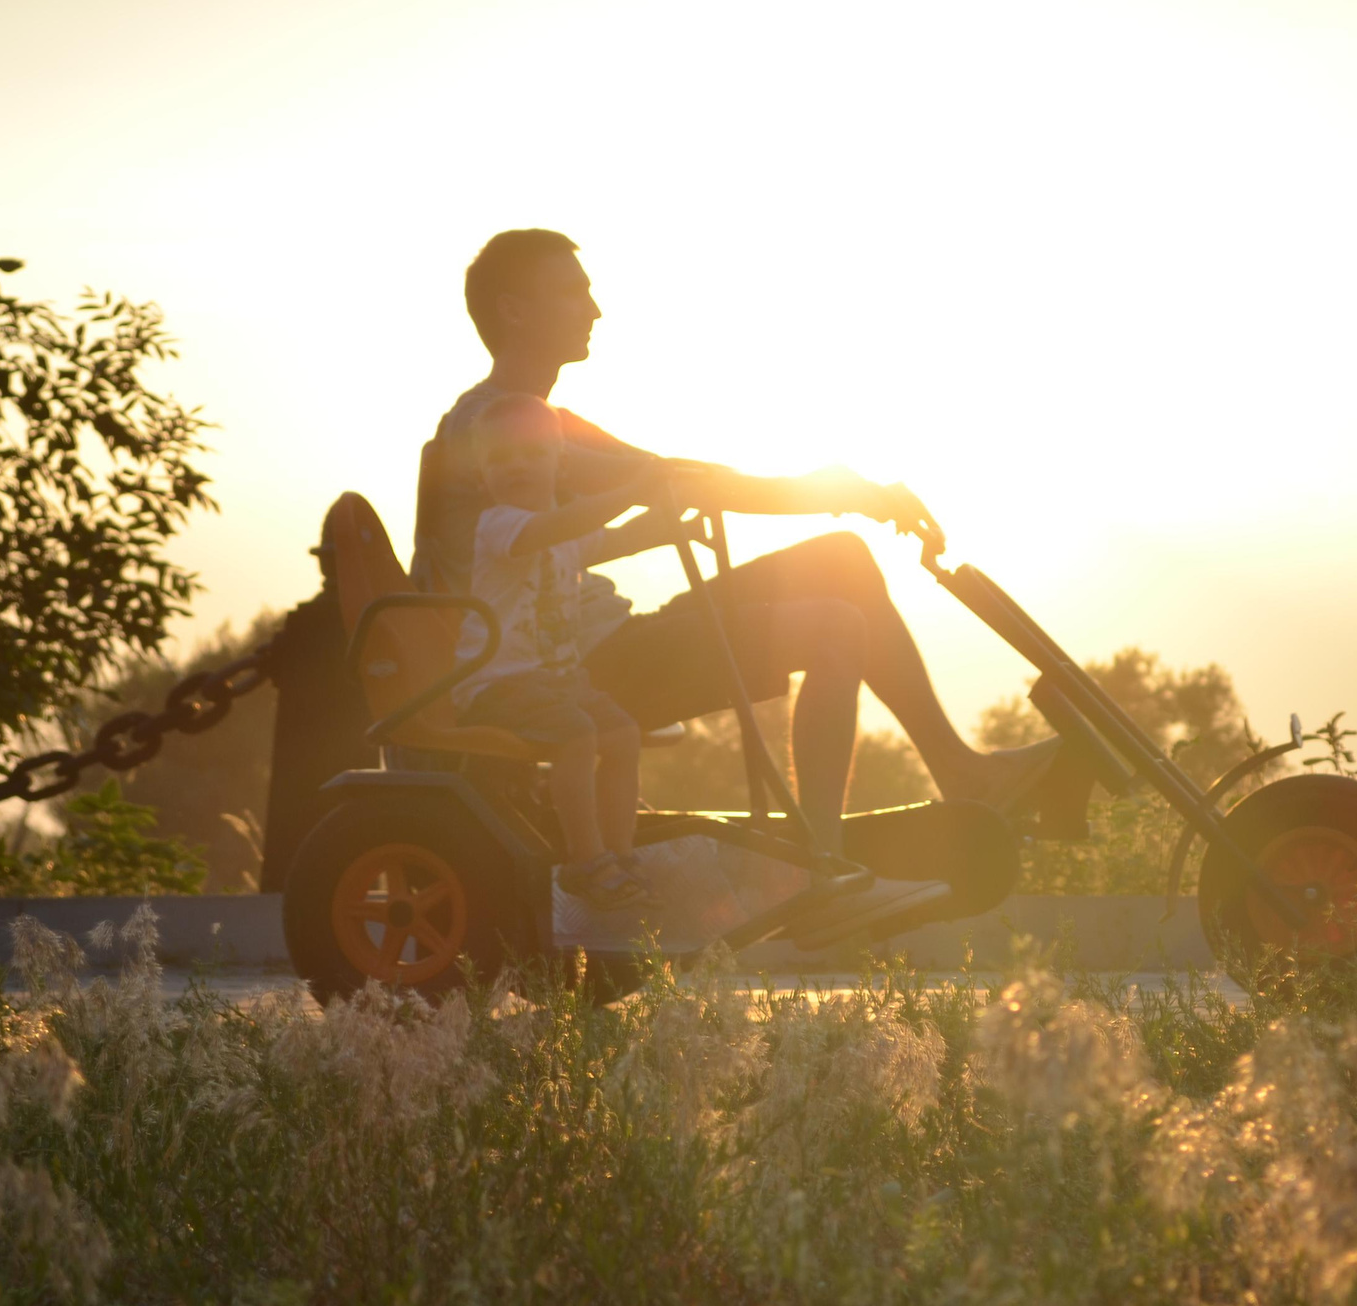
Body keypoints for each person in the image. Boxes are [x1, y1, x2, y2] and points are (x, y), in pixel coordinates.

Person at [413, 228, 1058, 849]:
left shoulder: (540, 421)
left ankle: (958, 771)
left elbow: (684, 477)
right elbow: (678, 485)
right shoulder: (495, 430)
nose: (596, 310)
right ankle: (821, 862)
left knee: (842, 561)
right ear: (513, 311)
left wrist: (842, 489)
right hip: (574, 677)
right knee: (835, 626)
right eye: (573, 292)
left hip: (603, 647)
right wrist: (842, 491)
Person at [455, 392, 685, 909]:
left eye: (531, 454)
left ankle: (620, 854)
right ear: (481, 476)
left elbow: (617, 540)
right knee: (577, 736)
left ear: (559, 463)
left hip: (555, 682)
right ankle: (586, 861)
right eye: (499, 459)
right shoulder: (502, 524)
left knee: (623, 733)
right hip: (497, 683)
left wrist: (672, 521)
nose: (515, 466)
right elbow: (563, 527)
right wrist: (631, 489)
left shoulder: (567, 530)